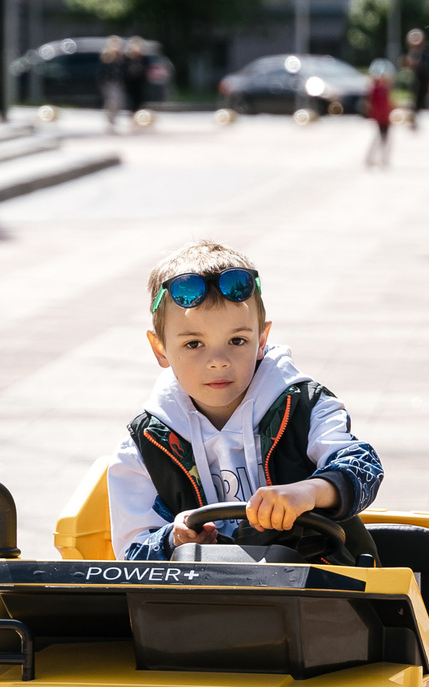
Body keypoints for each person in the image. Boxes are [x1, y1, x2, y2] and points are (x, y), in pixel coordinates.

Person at [106, 241, 383, 563]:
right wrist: (173, 537)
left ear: (262, 339)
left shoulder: (307, 406)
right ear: (160, 349)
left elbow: (363, 468)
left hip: (322, 591)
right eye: (194, 344)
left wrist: (308, 492)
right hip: (203, 602)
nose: (218, 361)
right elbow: (131, 555)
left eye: (237, 341)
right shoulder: (145, 444)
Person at [364, 59, 396, 167]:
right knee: (381, 138)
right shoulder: (377, 88)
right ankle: (376, 158)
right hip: (381, 117)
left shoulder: (383, 88)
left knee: (383, 138)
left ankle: (381, 158)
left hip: (384, 117)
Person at [98, 35, 129, 132]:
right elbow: (102, 72)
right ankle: (110, 119)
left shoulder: (122, 58)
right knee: (112, 101)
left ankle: (114, 118)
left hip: (119, 83)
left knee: (119, 101)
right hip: (108, 83)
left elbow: (125, 71)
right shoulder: (106, 57)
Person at [122, 39, 156, 127]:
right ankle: (132, 118)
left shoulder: (143, 58)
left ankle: (140, 119)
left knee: (140, 101)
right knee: (131, 101)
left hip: (140, 82)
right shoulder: (127, 58)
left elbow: (147, 69)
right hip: (130, 83)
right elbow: (123, 70)